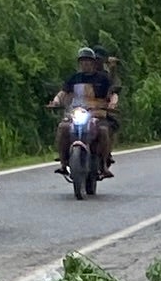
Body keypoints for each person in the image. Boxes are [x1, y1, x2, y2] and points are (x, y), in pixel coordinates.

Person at [51, 44, 122, 181]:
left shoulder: (103, 78)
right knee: (63, 128)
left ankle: (103, 164)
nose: (85, 64)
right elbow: (63, 92)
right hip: (76, 113)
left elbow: (113, 94)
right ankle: (63, 162)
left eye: (88, 61)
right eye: (82, 62)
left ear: (94, 63)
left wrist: (112, 103)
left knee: (103, 131)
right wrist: (56, 101)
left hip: (97, 113)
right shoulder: (75, 78)